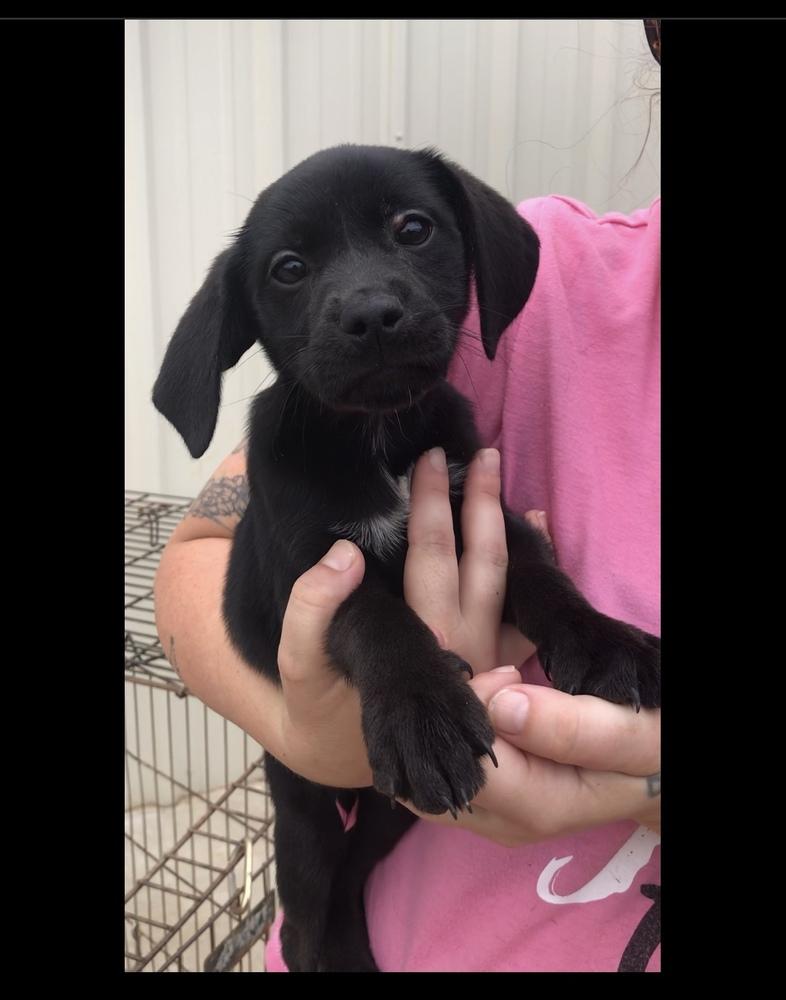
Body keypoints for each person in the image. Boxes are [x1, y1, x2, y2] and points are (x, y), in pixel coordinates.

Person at [154, 25, 661, 974]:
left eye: (411, 233)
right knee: (320, 894)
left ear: (478, 257)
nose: (370, 300)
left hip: (438, 813)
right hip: (326, 773)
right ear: (246, 321)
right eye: (294, 272)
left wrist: (576, 630)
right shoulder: (288, 454)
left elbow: (500, 547)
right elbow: (294, 586)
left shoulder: (456, 418)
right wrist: (317, 730)